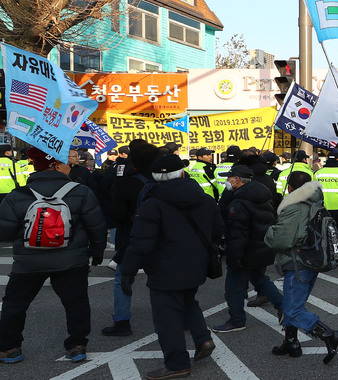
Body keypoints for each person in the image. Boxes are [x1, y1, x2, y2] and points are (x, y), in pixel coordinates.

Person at [119, 154, 223, 380]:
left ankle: (177, 363)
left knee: (167, 317)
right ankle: (203, 338)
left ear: (154, 178)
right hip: (197, 264)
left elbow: (140, 243)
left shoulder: (152, 204)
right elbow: (217, 230)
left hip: (164, 267)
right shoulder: (204, 199)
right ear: (183, 173)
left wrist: (127, 271)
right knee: (188, 300)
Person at [0, 147, 106, 364]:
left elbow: (6, 233)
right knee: (76, 302)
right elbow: (96, 226)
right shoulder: (81, 191)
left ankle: (10, 348)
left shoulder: (18, 195)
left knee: (15, 303)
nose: (70, 165)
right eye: (66, 162)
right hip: (71, 259)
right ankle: (77, 346)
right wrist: (97, 253)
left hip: (28, 262)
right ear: (55, 165)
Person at [264, 171, 338, 364]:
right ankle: (291, 342)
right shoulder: (315, 202)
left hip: (297, 263)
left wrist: (269, 231)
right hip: (311, 261)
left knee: (292, 308)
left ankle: (329, 335)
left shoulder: (295, 208)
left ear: (291, 188)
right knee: (294, 302)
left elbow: (281, 239)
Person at [212, 165, 283, 332]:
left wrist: (234, 257)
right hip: (260, 247)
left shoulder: (239, 202)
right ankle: (284, 308)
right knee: (259, 279)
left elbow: (238, 233)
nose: (227, 180)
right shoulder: (260, 194)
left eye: (229, 178)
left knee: (233, 287)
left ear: (237, 179)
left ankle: (236, 321)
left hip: (245, 251)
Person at [101, 143, 160, 336]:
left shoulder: (125, 182)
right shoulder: (161, 181)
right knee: (162, 277)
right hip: (160, 236)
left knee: (123, 278)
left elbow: (117, 213)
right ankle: (180, 317)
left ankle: (122, 321)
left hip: (130, 237)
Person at [314, 152, 338, 243]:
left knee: (324, 232)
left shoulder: (318, 174)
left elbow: (314, 191)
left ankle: (326, 254)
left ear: (327, 159)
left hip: (323, 208)